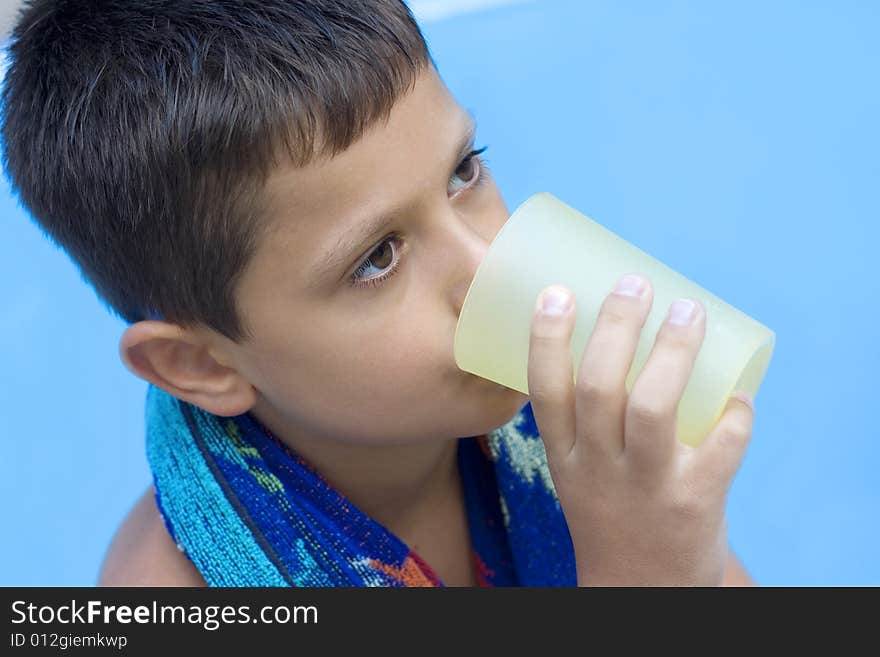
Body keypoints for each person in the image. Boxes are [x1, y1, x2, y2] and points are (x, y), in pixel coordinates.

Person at [2, 0, 756, 586]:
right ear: (203, 365)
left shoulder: (585, 446)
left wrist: (664, 542)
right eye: (378, 257)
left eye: (465, 171)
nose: (489, 264)